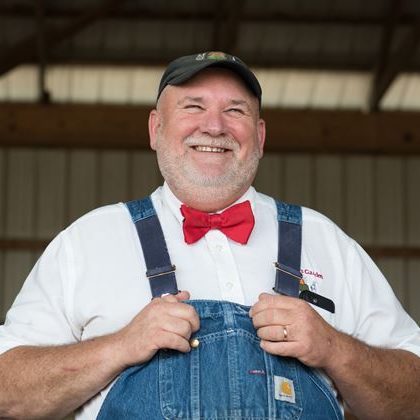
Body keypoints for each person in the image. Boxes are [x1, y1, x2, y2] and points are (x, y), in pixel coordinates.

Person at [0, 51, 419, 420]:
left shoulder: (326, 242)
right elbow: (8, 393)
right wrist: (120, 346)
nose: (214, 126)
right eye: (193, 106)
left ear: (259, 135)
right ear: (155, 129)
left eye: (235, 110)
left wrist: (334, 349)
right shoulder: (87, 242)